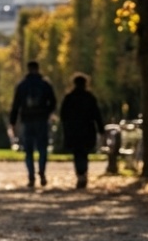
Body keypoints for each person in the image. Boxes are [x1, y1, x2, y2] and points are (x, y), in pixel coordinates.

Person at [9, 60, 57, 188]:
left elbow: (15, 106)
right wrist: (47, 113)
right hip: (41, 119)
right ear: (38, 68)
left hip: (27, 120)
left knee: (28, 150)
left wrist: (13, 122)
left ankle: (31, 175)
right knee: (42, 148)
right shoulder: (45, 84)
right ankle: (42, 171)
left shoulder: (22, 85)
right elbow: (53, 102)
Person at [58, 73, 105, 189]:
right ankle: (83, 172)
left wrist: (65, 128)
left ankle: (80, 174)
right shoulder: (89, 97)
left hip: (73, 129)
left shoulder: (69, 97)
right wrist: (101, 129)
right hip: (87, 129)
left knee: (77, 153)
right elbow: (96, 114)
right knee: (84, 153)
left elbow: (63, 115)